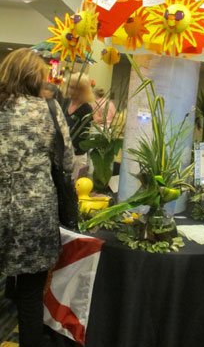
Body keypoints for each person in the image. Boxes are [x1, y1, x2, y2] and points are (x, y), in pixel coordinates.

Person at [0, 48, 74, 347]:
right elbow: (67, 163)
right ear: (37, 77)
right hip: (36, 216)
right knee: (31, 297)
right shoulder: (49, 109)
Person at [63, 72, 93, 177]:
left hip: (78, 155)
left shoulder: (87, 109)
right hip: (63, 153)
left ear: (82, 90)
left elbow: (84, 133)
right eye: (70, 87)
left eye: (74, 88)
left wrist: (72, 146)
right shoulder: (65, 102)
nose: (70, 90)